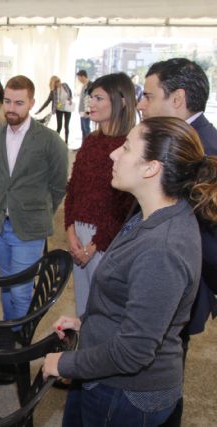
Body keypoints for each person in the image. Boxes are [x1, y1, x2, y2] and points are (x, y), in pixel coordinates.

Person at [43, 117, 217, 427]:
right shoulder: (150, 214)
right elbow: (133, 303)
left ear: (151, 168)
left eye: (126, 148)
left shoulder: (162, 247)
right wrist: (87, 322)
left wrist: (66, 363)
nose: (114, 154)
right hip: (106, 377)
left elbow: (133, 350)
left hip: (125, 395)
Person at [137, 57, 217, 427]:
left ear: (178, 98)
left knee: (162, 382)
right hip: (169, 281)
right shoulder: (184, 139)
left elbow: (208, 240)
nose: (141, 104)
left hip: (180, 287)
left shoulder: (204, 149)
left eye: (149, 95)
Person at [0, 74, 68, 328]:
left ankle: (19, 342)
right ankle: (8, 333)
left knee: (20, 291)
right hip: (0, 225)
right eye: (8, 101)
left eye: (19, 103)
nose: (12, 108)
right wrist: (6, 201)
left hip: (30, 229)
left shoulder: (50, 140)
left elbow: (58, 185)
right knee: (5, 285)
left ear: (31, 103)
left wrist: (40, 212)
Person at [64, 72, 137, 316]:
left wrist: (94, 246)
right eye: (91, 97)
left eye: (98, 98)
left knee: (104, 311)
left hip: (108, 241)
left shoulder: (131, 146)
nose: (91, 103)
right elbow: (73, 189)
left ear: (121, 101)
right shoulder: (90, 141)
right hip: (79, 235)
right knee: (83, 307)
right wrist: (70, 230)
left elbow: (124, 207)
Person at [36, 75, 74, 144]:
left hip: (67, 108)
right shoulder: (53, 92)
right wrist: (39, 110)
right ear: (54, 84)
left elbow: (70, 92)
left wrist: (70, 99)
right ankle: (56, 142)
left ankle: (66, 142)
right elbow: (47, 102)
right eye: (56, 82)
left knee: (66, 126)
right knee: (59, 126)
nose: (59, 83)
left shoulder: (65, 85)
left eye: (59, 81)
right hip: (59, 109)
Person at [76, 70, 91, 139]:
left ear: (83, 76)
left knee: (86, 129)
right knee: (83, 129)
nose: (78, 79)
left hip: (86, 112)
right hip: (82, 112)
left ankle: (89, 144)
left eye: (79, 77)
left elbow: (89, 100)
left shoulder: (89, 85)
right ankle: (84, 144)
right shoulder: (84, 85)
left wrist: (87, 112)